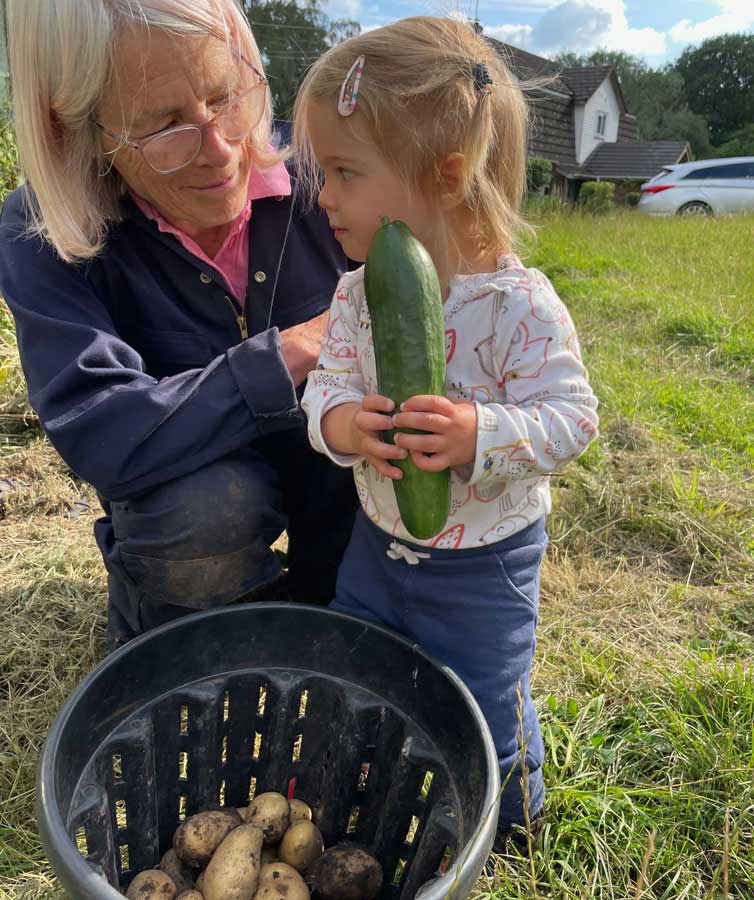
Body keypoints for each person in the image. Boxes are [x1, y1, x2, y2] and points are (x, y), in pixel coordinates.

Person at [294, 17, 599, 847]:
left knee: (485, 696)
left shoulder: (519, 304)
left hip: (486, 566)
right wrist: (348, 423)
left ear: (447, 174)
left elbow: (573, 420)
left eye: (346, 173)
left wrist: (481, 433)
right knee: (360, 669)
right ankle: (359, 787)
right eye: (324, 173)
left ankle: (511, 814)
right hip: (378, 545)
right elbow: (323, 390)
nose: (324, 196)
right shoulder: (358, 296)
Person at [0, 0, 358, 650]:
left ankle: (331, 610)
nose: (221, 149)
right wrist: (290, 353)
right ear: (77, 127)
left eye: (227, 96)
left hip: (334, 473)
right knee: (201, 512)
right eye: (165, 127)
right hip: (199, 497)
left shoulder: (330, 174)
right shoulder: (41, 235)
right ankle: (174, 635)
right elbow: (107, 435)